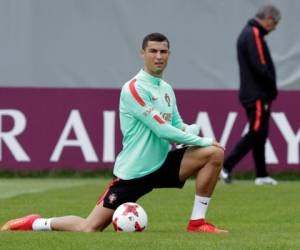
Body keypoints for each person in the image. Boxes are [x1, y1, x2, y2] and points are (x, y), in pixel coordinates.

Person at [1, 32, 227, 233]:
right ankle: (36, 223)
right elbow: (162, 130)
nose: (159, 56)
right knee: (89, 228)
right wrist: (203, 139)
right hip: (134, 172)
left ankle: (197, 223)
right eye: (153, 51)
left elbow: (177, 125)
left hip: (161, 164)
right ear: (143, 53)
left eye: (163, 51)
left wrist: (193, 131)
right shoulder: (134, 88)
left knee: (213, 154)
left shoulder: (166, 89)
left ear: (169, 54)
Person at [220, 5, 281, 185]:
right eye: (275, 23)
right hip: (257, 95)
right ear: (268, 18)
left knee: (260, 134)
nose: (275, 27)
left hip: (255, 93)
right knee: (256, 132)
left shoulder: (250, 33)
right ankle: (226, 166)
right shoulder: (253, 33)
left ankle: (261, 174)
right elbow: (260, 65)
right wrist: (271, 86)